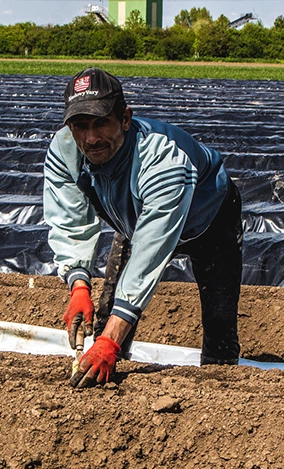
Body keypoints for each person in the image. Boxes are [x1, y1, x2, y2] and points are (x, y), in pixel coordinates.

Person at [43, 67, 242, 388]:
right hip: (135, 219)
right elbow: (69, 219)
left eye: (101, 123)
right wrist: (78, 283)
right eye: (80, 126)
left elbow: (150, 253)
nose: (90, 138)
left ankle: (222, 387)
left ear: (125, 118)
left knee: (219, 323)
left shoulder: (162, 160)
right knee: (107, 317)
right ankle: (105, 372)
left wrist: (110, 341)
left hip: (210, 218)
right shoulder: (67, 151)